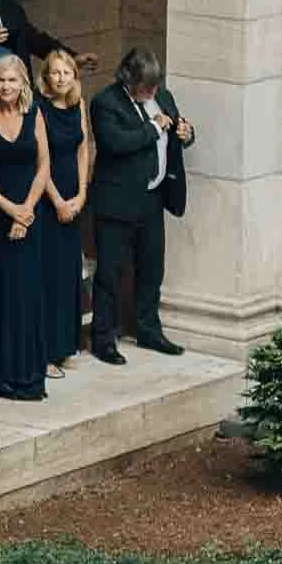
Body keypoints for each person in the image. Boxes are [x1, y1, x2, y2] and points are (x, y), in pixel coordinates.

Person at [89, 45, 193, 363]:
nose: (151, 92)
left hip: (152, 198)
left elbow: (176, 129)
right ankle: (103, 338)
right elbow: (116, 143)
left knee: (152, 269)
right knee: (110, 272)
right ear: (127, 80)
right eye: (145, 88)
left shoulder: (163, 97)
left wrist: (186, 133)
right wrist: (153, 127)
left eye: (154, 87)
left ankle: (149, 330)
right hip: (117, 203)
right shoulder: (105, 103)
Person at [0, 55, 52, 402]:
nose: (6, 86)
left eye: (12, 80)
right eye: (0, 80)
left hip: (30, 218)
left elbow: (44, 165)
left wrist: (27, 212)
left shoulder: (34, 115)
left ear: (23, 84)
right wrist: (11, 211)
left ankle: (26, 375)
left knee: (26, 295)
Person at [37, 47, 94, 373]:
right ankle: (46, 352)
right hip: (49, 200)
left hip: (74, 198)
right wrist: (58, 200)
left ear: (74, 77)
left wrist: (82, 193)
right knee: (49, 276)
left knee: (69, 274)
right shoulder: (40, 109)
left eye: (66, 73)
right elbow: (40, 159)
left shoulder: (77, 105)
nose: (61, 78)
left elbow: (84, 148)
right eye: (55, 72)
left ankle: (66, 345)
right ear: (46, 77)